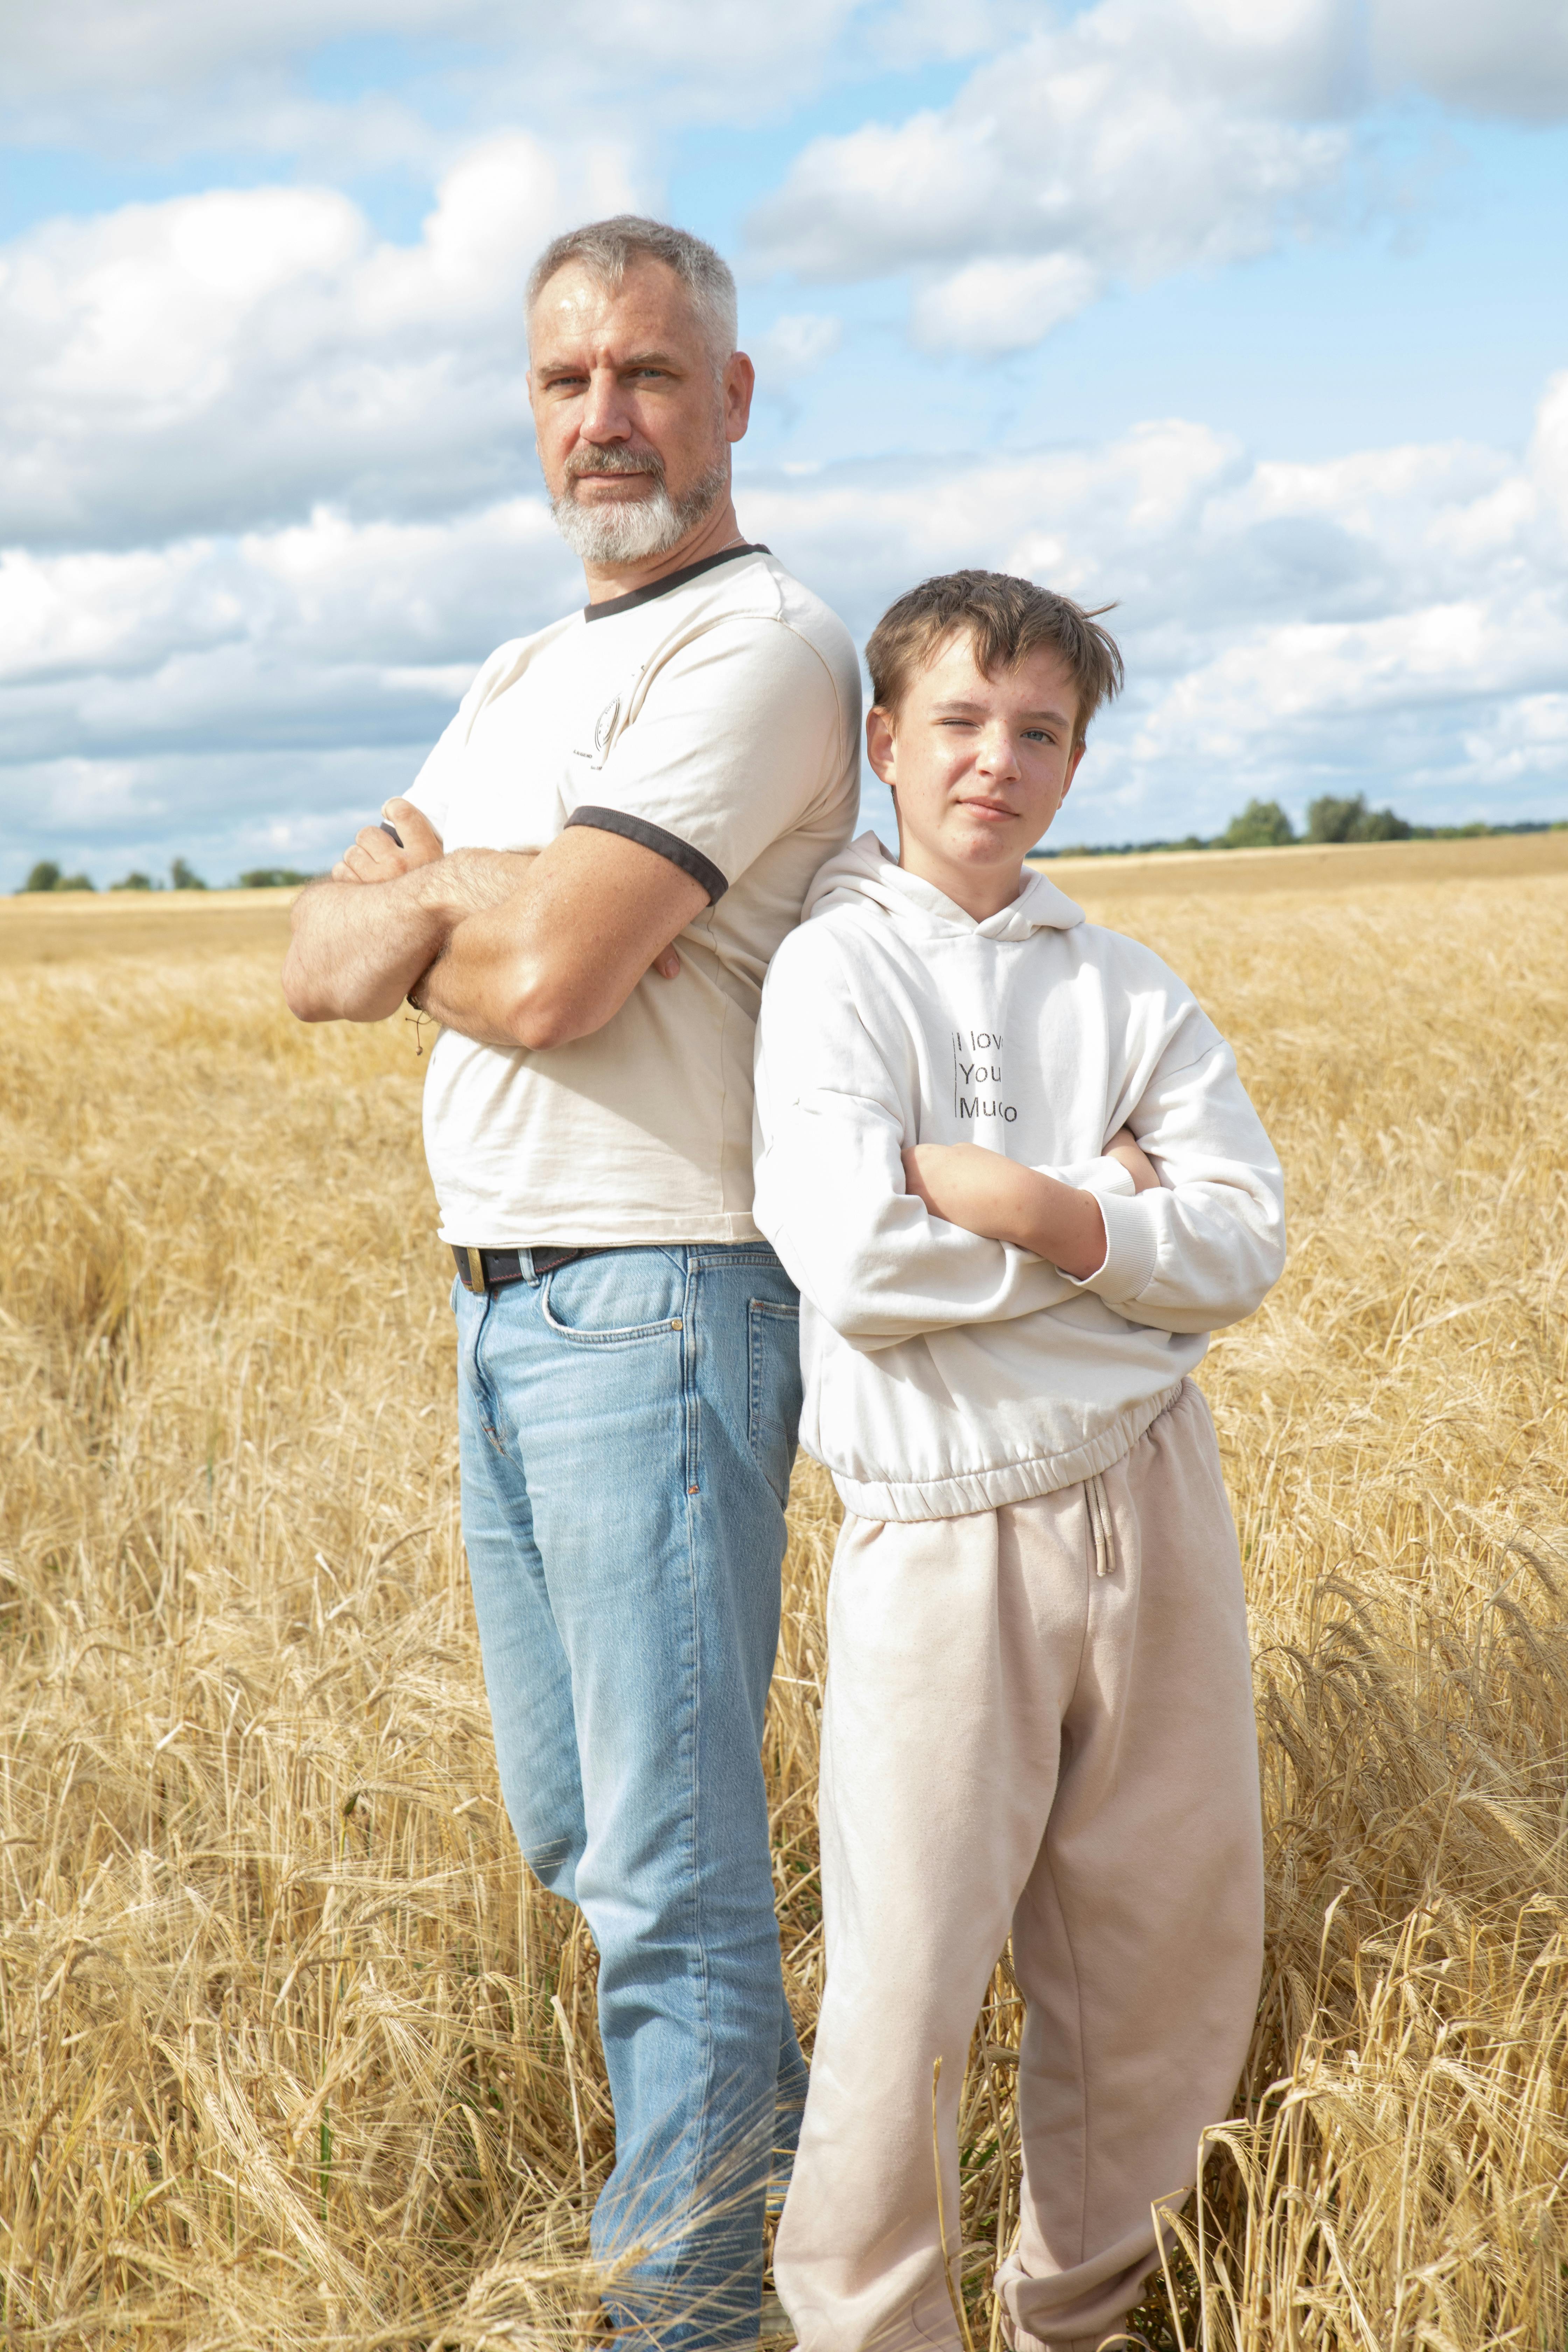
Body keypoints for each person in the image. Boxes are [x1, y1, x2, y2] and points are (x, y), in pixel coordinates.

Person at [282, 217, 861, 2350]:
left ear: (730, 396)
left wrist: (461, 890)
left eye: (643, 372)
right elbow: (314, 958)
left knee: (673, 1888)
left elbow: (546, 981)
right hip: (499, 1304)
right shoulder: (529, 675)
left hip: (662, 1298)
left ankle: (691, 2319)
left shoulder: (765, 648)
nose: (601, 416)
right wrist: (488, 895)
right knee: (585, 1832)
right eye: (562, 383)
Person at [751, 570, 1286, 2352]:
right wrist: (1114, 1225)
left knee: (1164, 1943)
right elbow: (859, 1261)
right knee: (905, 1978)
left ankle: (1080, 2315)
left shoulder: (1124, 982)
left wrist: (1028, 1201)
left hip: (1152, 1482)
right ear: (885, 741)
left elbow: (1242, 1245)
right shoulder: (833, 973)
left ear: (1075, 762)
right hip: (937, 1526)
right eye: (961, 724)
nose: (999, 761)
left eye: (1040, 732)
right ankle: (867, 2329)